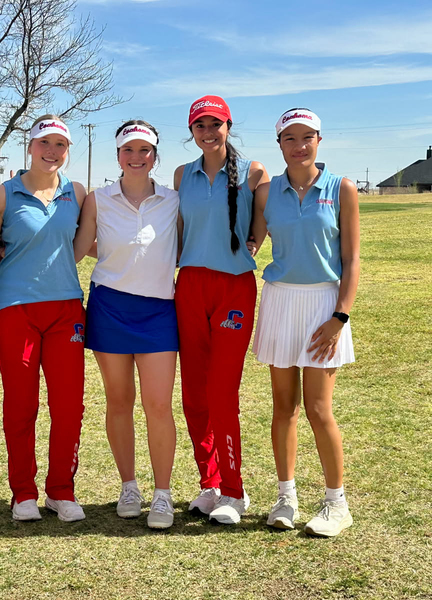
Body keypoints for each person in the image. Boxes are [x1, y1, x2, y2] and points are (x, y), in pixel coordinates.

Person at [250, 108, 360, 537]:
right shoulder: (266, 191)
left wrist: (340, 316)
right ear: (279, 144)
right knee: (283, 407)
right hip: (280, 301)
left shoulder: (341, 187)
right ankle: (286, 497)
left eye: (307, 137)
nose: (299, 145)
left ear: (319, 139)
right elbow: (254, 242)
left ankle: (337, 503)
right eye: (289, 138)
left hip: (323, 306)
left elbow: (351, 259)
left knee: (318, 408)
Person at [74, 120, 179, 529]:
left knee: (157, 405)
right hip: (109, 307)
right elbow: (79, 248)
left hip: (158, 311)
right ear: (117, 155)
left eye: (145, 150)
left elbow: (186, 245)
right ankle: (129, 486)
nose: (137, 158)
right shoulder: (98, 199)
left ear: (155, 155)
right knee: (119, 401)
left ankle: (163, 494)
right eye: (128, 150)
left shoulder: (173, 200)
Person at [0, 115, 88, 522]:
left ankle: (61, 490)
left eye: (60, 144)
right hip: (15, 310)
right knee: (21, 404)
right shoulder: (2, 195)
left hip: (66, 309)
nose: (52, 151)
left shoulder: (76, 192)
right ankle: (23, 493)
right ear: (30, 146)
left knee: (68, 405)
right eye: (44, 143)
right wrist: (10, 261)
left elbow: (81, 246)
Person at [173, 96, 269, 525]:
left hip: (233, 289)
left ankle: (234, 489)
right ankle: (209, 483)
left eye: (216, 124)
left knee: (221, 391)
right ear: (191, 131)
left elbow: (261, 222)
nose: (208, 132)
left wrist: (252, 245)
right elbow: (176, 231)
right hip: (190, 285)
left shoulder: (253, 172)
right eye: (200, 126)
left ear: (228, 125)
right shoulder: (181, 175)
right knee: (193, 392)